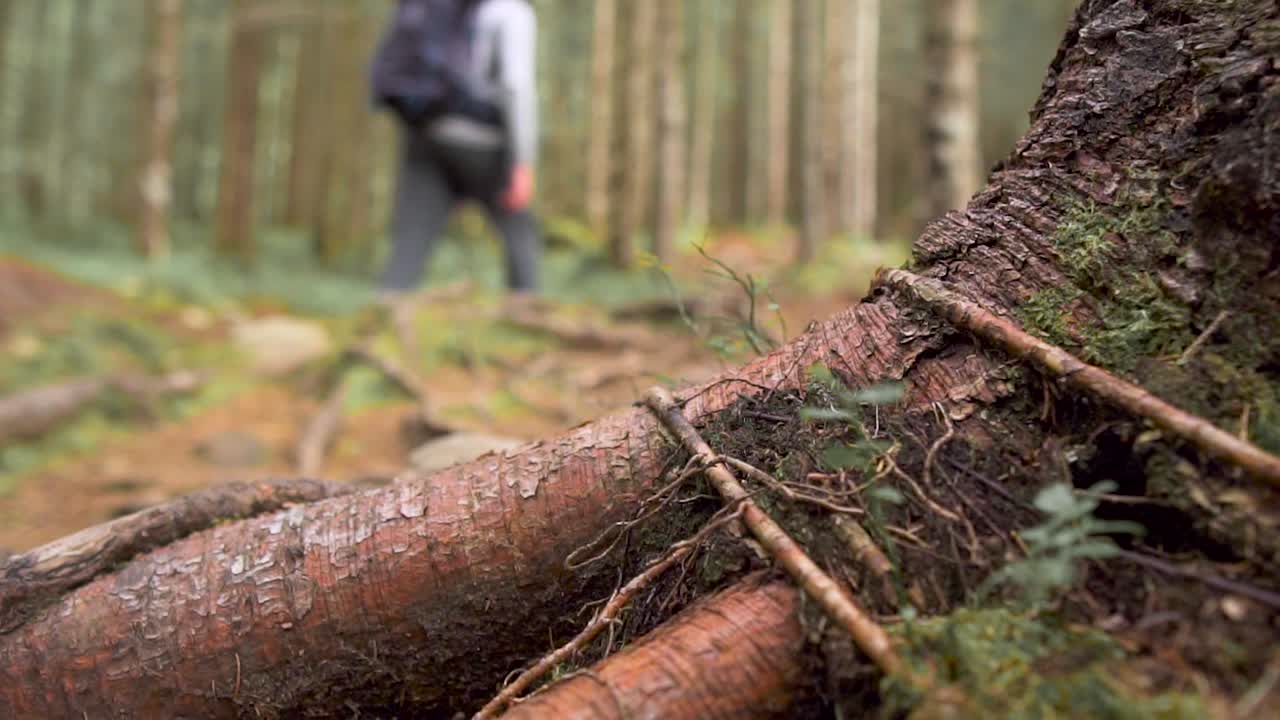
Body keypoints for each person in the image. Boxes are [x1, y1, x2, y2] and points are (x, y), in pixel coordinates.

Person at [370, 0, 539, 299]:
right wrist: (522, 161)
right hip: (483, 141)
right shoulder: (512, 12)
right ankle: (526, 310)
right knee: (518, 235)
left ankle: (385, 311)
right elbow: (516, 87)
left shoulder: (444, 11)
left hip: (426, 132)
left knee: (410, 241)